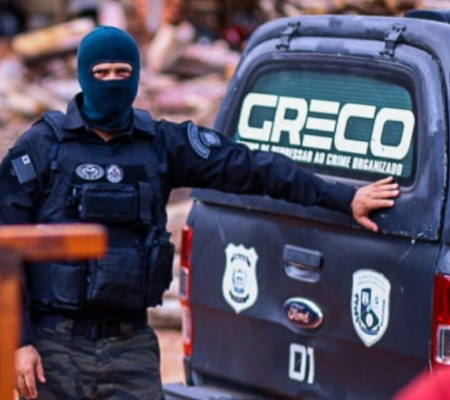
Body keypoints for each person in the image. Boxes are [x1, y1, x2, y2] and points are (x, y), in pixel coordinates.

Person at [0, 26, 399, 400]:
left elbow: (255, 169)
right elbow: (6, 249)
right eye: (101, 72)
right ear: (83, 76)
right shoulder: (43, 148)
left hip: (130, 344)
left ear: (137, 76)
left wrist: (343, 198)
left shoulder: (162, 144)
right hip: (54, 345)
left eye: (123, 72)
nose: (112, 81)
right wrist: (20, 341)